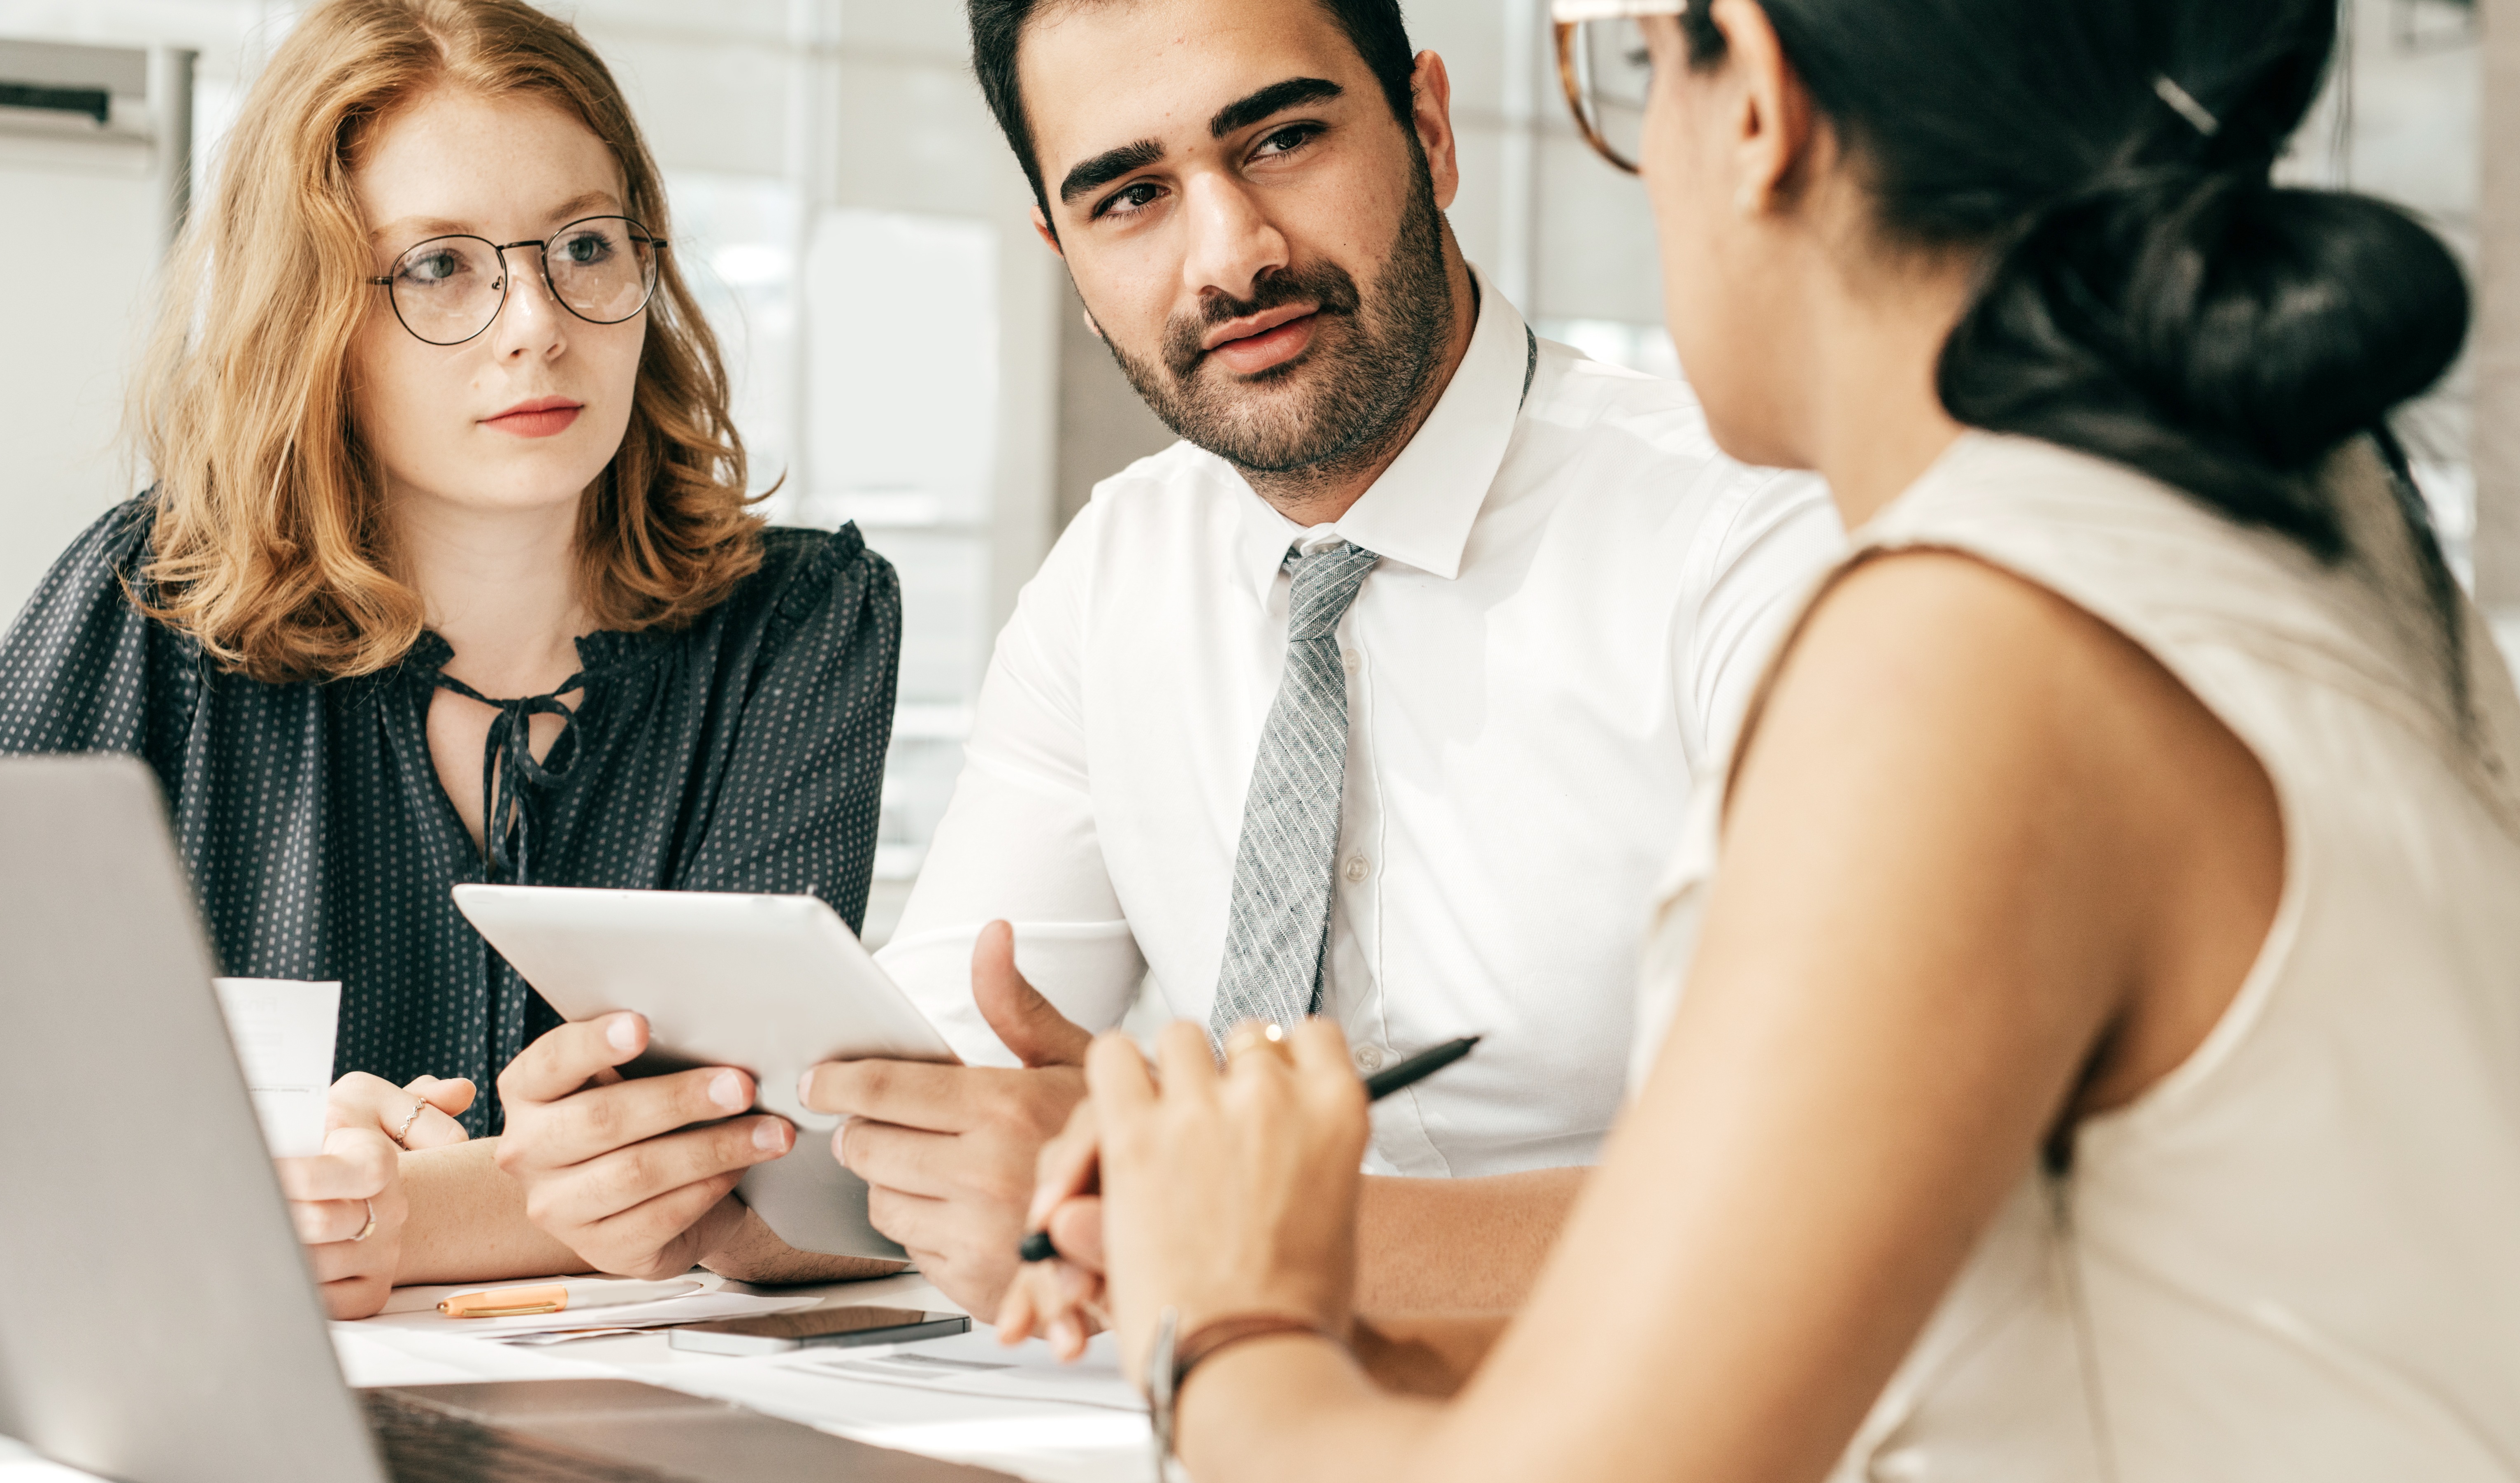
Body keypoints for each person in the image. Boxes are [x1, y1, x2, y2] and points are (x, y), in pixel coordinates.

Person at [1002, 0, 2520, 1478]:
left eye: (1635, 74)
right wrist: (1326, 1316)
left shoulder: (1967, 656)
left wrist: (1226, 1313)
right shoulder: (2311, 531)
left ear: (1757, 102)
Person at [0, 0, 902, 1318]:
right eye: (439, 266)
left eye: (584, 246)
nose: (535, 323)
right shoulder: (159, 603)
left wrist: (369, 1212)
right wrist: (183, 1188)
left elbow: (766, 1164)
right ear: (311, 314)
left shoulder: (797, 625)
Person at [708, 0, 1829, 1316]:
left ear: (1430, 129)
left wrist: (1208, 1225)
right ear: (1065, 254)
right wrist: (707, 1179)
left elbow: (1835, 1201)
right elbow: (907, 1127)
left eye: (1284, 139)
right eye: (1131, 198)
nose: (1232, 258)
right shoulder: (1114, 572)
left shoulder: (1757, 537)